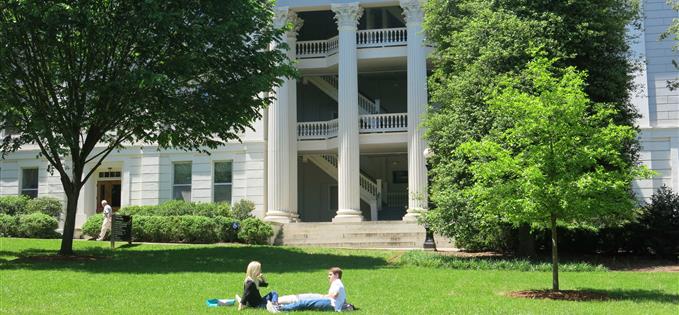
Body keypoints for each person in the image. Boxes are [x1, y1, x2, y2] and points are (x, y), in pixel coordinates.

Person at [268, 267, 353, 313]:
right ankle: (282, 307)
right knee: (305, 303)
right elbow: (344, 299)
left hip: (330, 304)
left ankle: (280, 309)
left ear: (337, 275)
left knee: (304, 303)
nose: (328, 277)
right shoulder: (339, 283)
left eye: (330, 275)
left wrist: (326, 296)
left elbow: (335, 294)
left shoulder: (337, 282)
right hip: (332, 305)